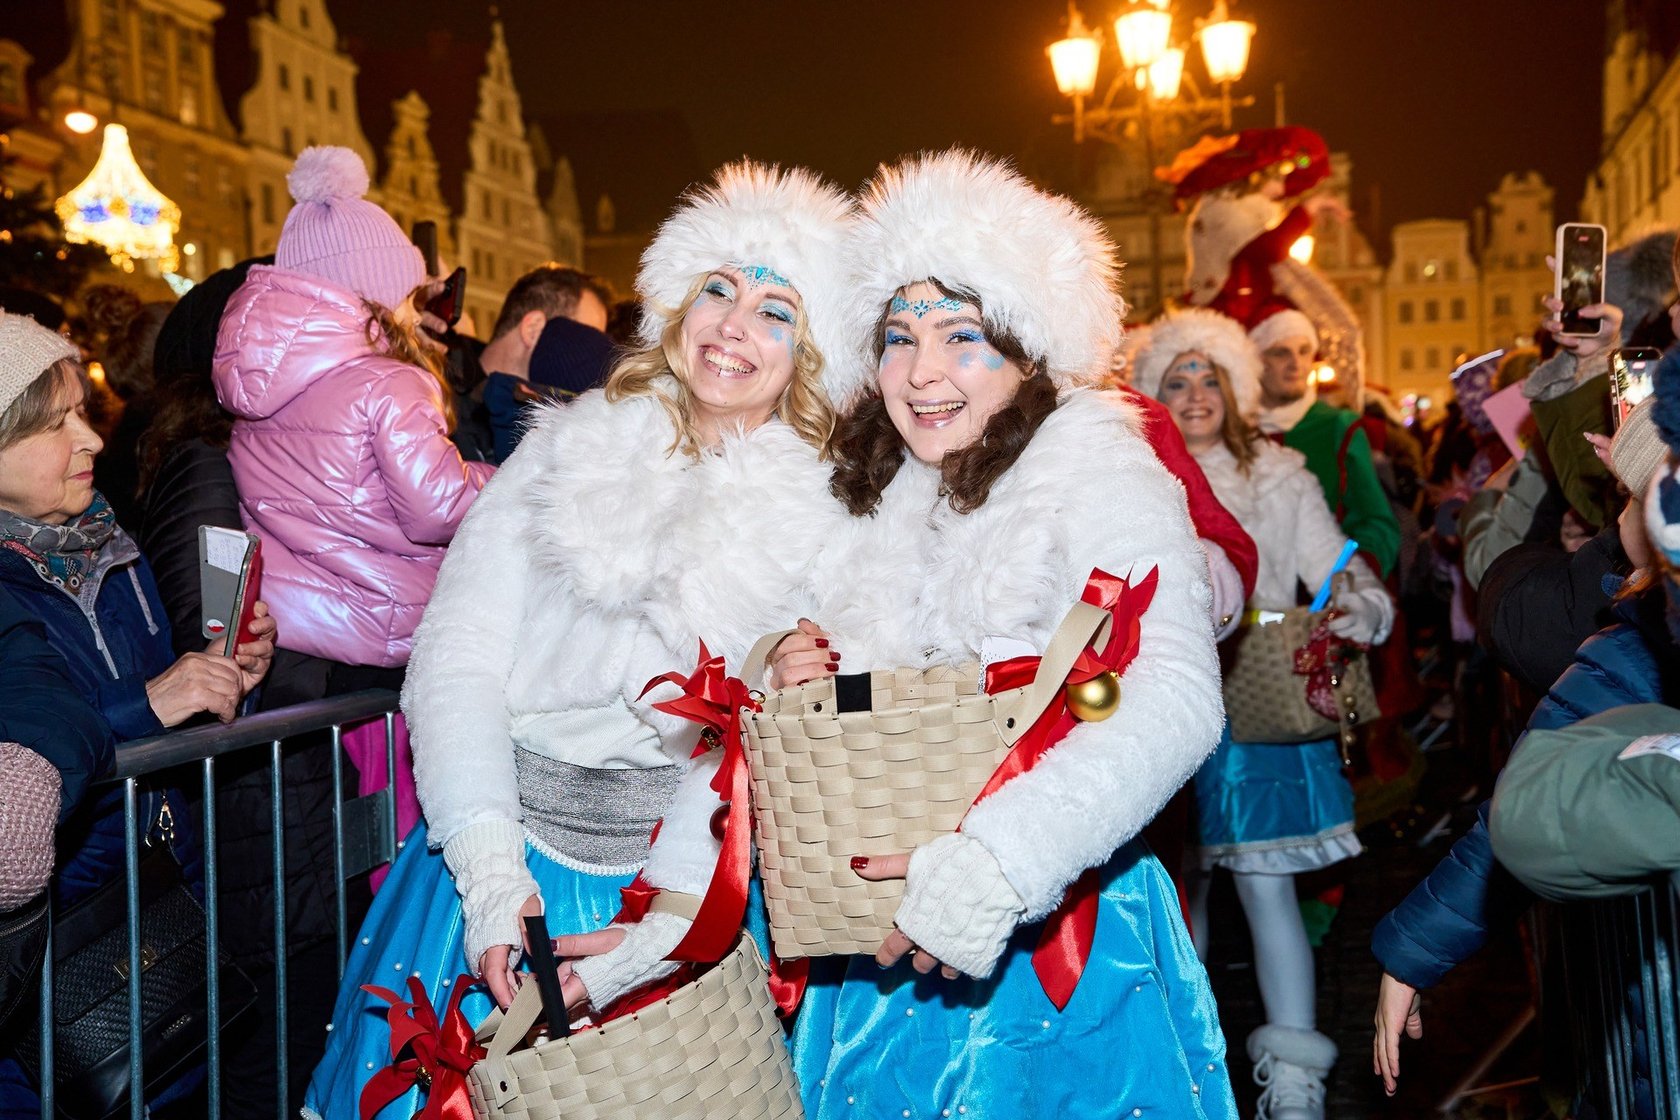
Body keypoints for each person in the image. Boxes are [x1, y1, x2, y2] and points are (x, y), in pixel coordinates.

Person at [565, 151, 1236, 1119]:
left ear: (1027, 350)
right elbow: (758, 753)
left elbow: (1170, 694)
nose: (922, 372)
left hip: (1056, 955)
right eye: (899, 336)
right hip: (872, 962)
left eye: (962, 337)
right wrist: (663, 922)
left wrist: (998, 864)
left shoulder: (1099, 467)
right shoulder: (869, 496)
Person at [301, 160, 855, 1120]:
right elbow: (457, 659)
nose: (734, 325)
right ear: (676, 307)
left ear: (808, 353)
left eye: (775, 311)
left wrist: (668, 923)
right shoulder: (564, 447)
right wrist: (490, 877)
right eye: (718, 290)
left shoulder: (828, 514)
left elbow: (749, 751)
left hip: (681, 892)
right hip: (495, 865)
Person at [0, 309, 276, 1114]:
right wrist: (150, 703)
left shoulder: (105, 542)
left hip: (158, 898)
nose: (91, 438)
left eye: (85, 414)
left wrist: (224, 677)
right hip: (55, 934)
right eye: (57, 425)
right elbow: (31, 736)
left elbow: (159, 699)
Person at [1130, 306, 1393, 1120]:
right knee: (1175, 897)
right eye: (1177, 379)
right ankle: (1186, 1071)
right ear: (1154, 394)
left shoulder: (1281, 476)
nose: (1195, 393)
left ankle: (1296, 1083)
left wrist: (1360, 604)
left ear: (1236, 390)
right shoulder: (1130, 480)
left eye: (1210, 377)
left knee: (1266, 887)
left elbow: (1336, 563)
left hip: (1258, 706)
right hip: (1155, 707)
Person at [1370, 403, 1677, 1098]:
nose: (1615, 519)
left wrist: (1409, 956)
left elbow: (1521, 813)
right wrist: (1414, 949)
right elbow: (1527, 810)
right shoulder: (1632, 646)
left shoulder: (1632, 646)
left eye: (1629, 500)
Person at [213, 145, 492, 703]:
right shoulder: (390, 382)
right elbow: (437, 509)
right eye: (409, 294)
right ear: (379, 293)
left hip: (289, 632)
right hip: (379, 624)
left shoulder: (257, 381)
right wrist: (510, 477)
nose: (414, 311)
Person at [1248, 308, 1401, 579]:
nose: (1296, 363)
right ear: (1258, 360)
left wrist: (1353, 576)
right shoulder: (1236, 430)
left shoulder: (1338, 426)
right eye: (1281, 352)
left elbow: (1376, 521)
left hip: (1324, 588)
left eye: (1304, 351)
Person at [449, 265, 616, 462]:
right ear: (533, 329)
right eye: (586, 338)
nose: (593, 354)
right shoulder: (438, 395)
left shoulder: (543, 430)